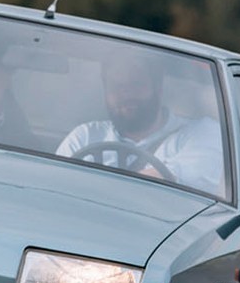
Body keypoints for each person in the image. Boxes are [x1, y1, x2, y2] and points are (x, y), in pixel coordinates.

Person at [56, 54, 228, 194]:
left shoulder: (201, 133)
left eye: (136, 84)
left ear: (158, 88)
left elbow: (185, 179)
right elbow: (54, 184)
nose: (126, 93)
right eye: (116, 86)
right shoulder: (84, 136)